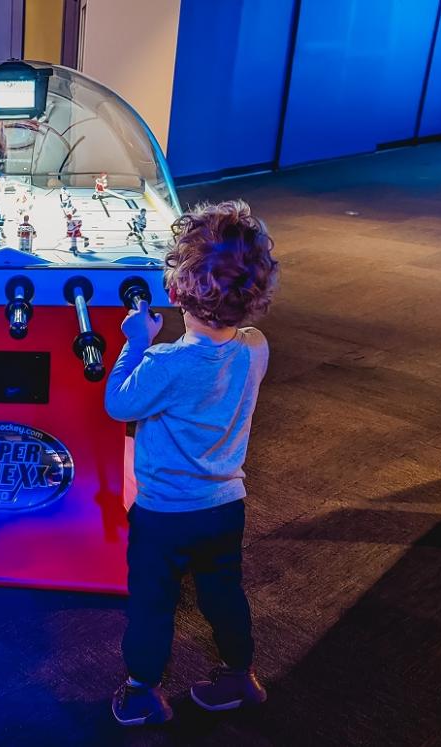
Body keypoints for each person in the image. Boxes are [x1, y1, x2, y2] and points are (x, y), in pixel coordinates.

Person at [105, 200, 280, 726]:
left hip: (163, 514)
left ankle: (141, 692)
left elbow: (119, 403)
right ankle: (239, 676)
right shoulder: (256, 347)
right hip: (225, 506)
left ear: (176, 290)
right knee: (223, 591)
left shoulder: (166, 363)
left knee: (152, 602)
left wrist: (135, 344)